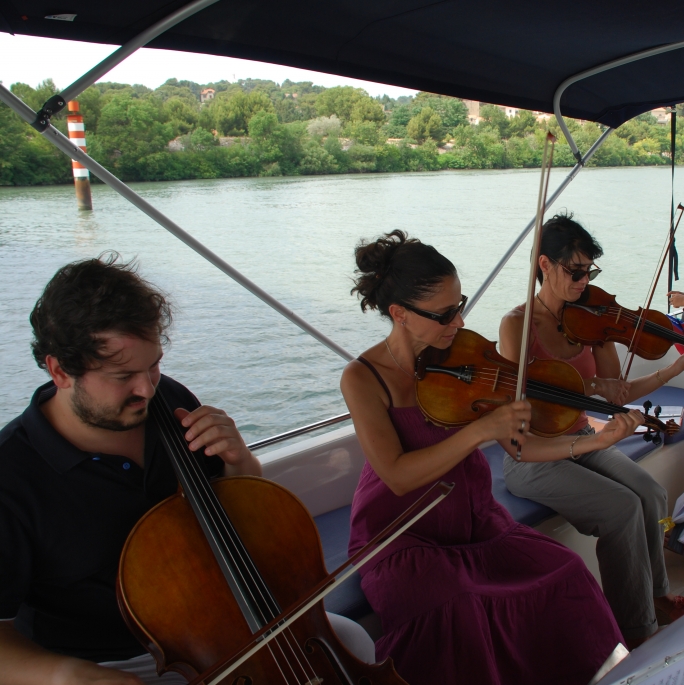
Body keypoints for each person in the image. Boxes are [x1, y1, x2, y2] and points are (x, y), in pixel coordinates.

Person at [0, 255, 374, 685]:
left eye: (154, 364)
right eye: (123, 376)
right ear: (60, 370)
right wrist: (66, 675)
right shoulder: (12, 477)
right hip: (106, 661)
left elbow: (242, 516)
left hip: (223, 624)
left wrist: (240, 463)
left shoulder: (169, 400)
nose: (147, 388)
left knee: (352, 643)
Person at [341, 230, 632, 685]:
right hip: (402, 532)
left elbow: (521, 446)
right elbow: (397, 476)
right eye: (443, 314)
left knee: (566, 570)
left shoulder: (466, 359)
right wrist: (478, 430)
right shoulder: (363, 378)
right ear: (399, 314)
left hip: (475, 519)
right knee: (456, 605)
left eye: (461, 305)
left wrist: (593, 442)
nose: (458, 322)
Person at [497, 213, 684, 649]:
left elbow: (618, 394)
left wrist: (675, 367)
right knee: (621, 508)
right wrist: (590, 387)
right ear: (544, 265)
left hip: (584, 439)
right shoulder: (517, 326)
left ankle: (655, 597)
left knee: (650, 494)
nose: (584, 281)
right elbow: (520, 408)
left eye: (589, 271)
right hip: (535, 454)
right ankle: (633, 631)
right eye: (575, 271)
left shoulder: (592, 322)